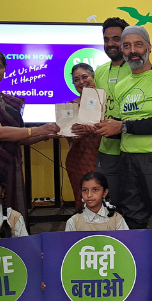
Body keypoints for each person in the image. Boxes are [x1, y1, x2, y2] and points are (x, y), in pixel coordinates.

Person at [94, 26, 152, 231]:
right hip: (128, 161)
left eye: (138, 44)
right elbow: (119, 126)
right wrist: (100, 129)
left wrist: (122, 126)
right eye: (127, 46)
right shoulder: (121, 85)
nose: (132, 50)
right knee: (133, 217)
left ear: (149, 47)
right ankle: (138, 254)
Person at [0, 49, 59, 216]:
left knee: (12, 210)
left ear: (5, 70)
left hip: (9, 165)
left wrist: (47, 135)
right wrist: (40, 129)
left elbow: (21, 138)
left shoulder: (10, 102)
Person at [92, 17, 131, 206]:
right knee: (109, 202)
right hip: (106, 149)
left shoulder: (137, 70)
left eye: (116, 39)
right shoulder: (99, 71)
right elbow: (97, 107)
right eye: (106, 39)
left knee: (133, 203)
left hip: (132, 148)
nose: (110, 44)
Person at [64, 64, 101, 206]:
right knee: (86, 199)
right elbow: (68, 136)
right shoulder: (70, 107)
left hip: (108, 157)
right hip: (80, 159)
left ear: (93, 77)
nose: (81, 82)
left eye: (85, 77)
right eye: (76, 80)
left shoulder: (107, 101)